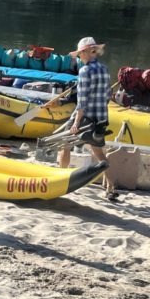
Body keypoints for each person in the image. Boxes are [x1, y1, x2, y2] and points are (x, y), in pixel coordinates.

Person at [46, 36, 118, 201]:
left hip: (85, 117)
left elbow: (82, 100)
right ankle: (111, 187)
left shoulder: (85, 71)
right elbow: (107, 96)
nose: (79, 57)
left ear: (85, 52)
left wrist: (77, 122)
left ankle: (60, 180)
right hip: (101, 117)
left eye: (80, 54)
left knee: (64, 145)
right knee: (98, 151)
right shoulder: (105, 69)